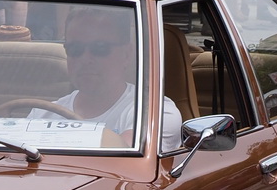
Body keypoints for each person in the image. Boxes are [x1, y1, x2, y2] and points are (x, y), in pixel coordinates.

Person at [27, 10, 181, 153]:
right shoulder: (40, 115)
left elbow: (126, 162)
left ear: (127, 54)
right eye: (75, 49)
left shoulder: (155, 113)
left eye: (100, 48)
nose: (85, 59)